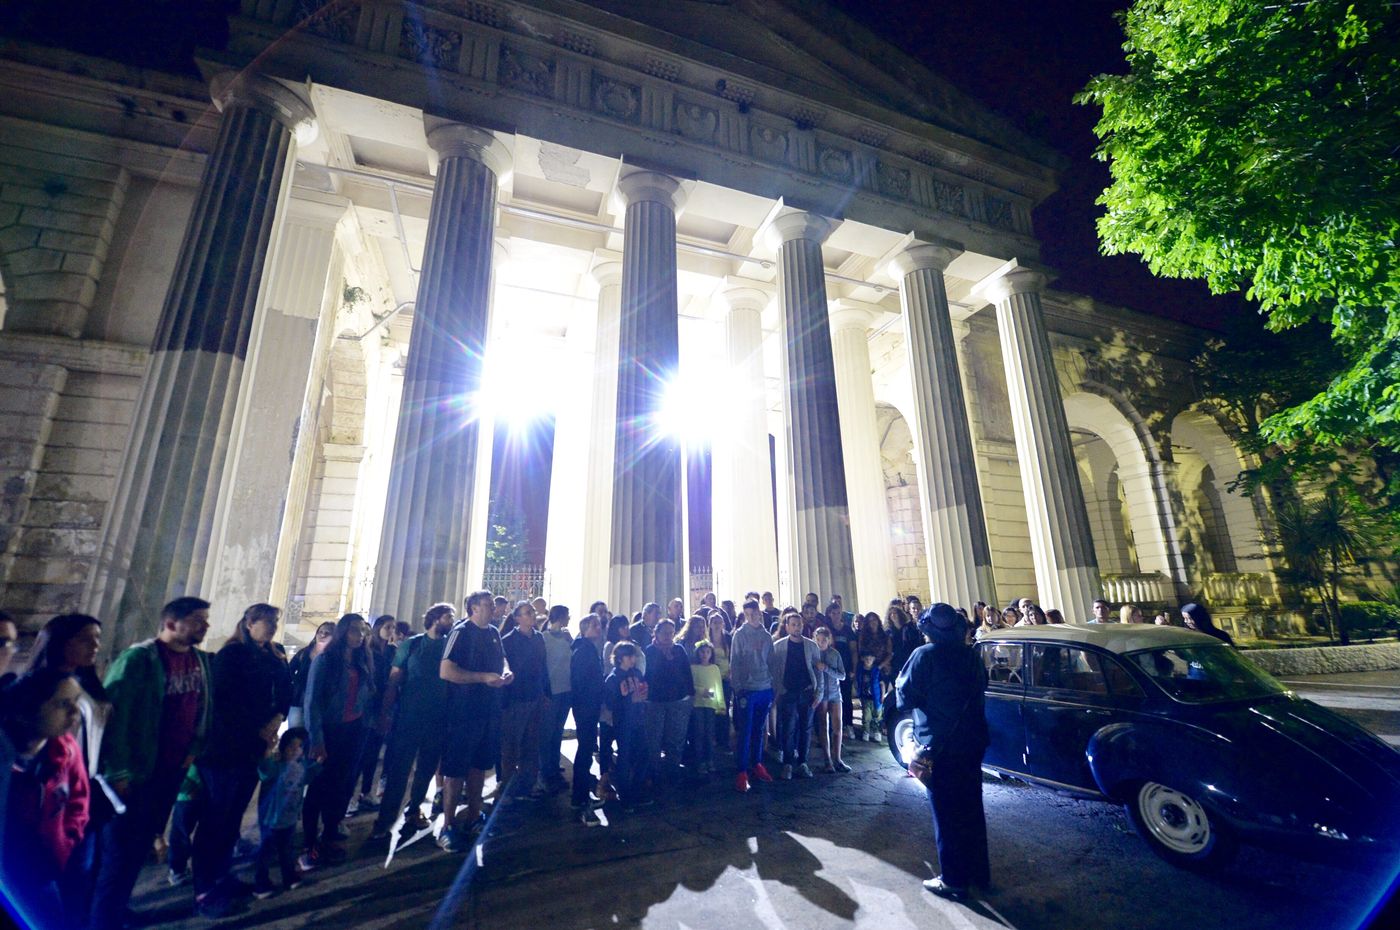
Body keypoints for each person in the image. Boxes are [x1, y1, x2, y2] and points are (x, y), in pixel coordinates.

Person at [89, 596, 213, 930]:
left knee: (141, 845)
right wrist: (119, 771)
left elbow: (202, 708)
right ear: (172, 623)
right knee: (117, 853)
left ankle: (118, 909)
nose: (206, 625)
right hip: (135, 775)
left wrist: (194, 748)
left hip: (170, 771)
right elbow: (115, 717)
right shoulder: (139, 660)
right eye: (198, 619)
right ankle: (101, 920)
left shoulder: (200, 661)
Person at [192, 603, 291, 915]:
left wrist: (276, 719)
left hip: (252, 748)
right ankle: (204, 889)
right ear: (249, 623)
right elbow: (225, 702)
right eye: (267, 622)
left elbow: (286, 691)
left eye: (275, 622)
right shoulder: (232, 654)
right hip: (224, 749)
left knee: (232, 817)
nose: (273, 627)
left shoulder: (273, 655)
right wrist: (259, 729)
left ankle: (222, 875)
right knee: (215, 819)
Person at [896, 604, 990, 900]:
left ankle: (953, 879)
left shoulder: (924, 655)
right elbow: (982, 687)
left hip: (939, 745)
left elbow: (904, 695)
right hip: (972, 741)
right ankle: (979, 874)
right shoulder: (971, 655)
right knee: (972, 809)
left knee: (946, 815)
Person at [20, 613, 111, 920]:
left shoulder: (88, 682)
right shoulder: (35, 688)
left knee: (80, 886)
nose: (95, 646)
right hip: (51, 798)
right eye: (86, 639)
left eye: (97, 639)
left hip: (85, 791)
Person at [0, 669, 88, 928]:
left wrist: (67, 840)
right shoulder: (6, 757)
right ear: (31, 707)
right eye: (63, 704)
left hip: (43, 868)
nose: (74, 713)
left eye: (76, 702)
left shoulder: (66, 750)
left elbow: (78, 801)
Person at [371, 602, 454, 842]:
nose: (451, 621)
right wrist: (385, 714)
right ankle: (385, 819)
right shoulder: (412, 644)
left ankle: (414, 808)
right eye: (448, 617)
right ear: (435, 618)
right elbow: (394, 680)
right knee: (399, 770)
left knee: (426, 769)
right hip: (409, 718)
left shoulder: (452, 646)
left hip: (438, 719)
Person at [438, 590, 512, 852]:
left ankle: (472, 816)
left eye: (493, 604)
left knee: (480, 766)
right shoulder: (461, 632)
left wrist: (505, 671)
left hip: (488, 710)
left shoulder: (493, 632)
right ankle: (447, 825)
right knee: (455, 770)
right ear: (472, 608)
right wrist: (483, 678)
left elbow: (502, 658)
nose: (494, 608)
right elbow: (446, 670)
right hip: (462, 712)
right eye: (488, 605)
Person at [302, 613, 374, 869]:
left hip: (353, 730)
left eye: (363, 631)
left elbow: (367, 692)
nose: (360, 635)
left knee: (342, 786)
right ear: (344, 631)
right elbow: (312, 702)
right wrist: (316, 739)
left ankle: (330, 833)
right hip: (329, 731)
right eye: (355, 630)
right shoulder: (325, 660)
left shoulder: (362, 660)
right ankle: (309, 845)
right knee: (319, 787)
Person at [253, 727, 317, 899]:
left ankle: (289, 877)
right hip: (271, 820)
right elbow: (264, 771)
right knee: (266, 852)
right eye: (291, 746)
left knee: (286, 850)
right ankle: (261, 884)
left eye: (299, 747)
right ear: (282, 747)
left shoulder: (300, 767)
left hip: (288, 820)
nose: (295, 750)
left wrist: (318, 764)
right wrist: (267, 749)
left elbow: (307, 778)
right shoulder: (276, 767)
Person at [499, 601, 549, 799]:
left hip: (535, 697)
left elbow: (543, 667)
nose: (532, 615)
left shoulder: (539, 638)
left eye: (532, 612)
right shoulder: (509, 640)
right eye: (527, 613)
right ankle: (508, 789)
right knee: (511, 746)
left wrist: (546, 693)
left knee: (531, 744)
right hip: (516, 699)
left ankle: (529, 784)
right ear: (517, 618)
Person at [730, 599, 775, 792]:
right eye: (746, 615)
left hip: (765, 687)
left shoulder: (766, 636)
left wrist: (774, 686)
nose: (750, 617)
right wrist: (738, 687)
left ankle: (757, 763)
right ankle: (742, 770)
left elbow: (772, 661)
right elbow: (735, 662)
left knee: (759, 729)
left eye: (753, 614)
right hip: (747, 689)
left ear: (759, 613)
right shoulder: (739, 635)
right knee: (745, 731)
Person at [353, 614, 396, 814]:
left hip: (382, 708)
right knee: (360, 754)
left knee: (372, 754)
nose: (391, 631)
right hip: (367, 709)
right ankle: (350, 797)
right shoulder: (367, 653)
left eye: (393, 628)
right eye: (388, 627)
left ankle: (365, 792)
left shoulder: (391, 651)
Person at [770, 611, 819, 780]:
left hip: (807, 691)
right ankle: (788, 763)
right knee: (788, 727)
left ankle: (803, 762)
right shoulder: (779, 646)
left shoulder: (812, 646)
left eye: (799, 624)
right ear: (787, 626)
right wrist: (778, 690)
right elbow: (775, 671)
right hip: (788, 692)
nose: (797, 627)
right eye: (793, 624)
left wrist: (819, 692)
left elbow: (818, 670)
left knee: (806, 728)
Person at [644, 618, 695, 783]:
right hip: (655, 701)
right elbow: (648, 675)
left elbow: (687, 673)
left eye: (671, 633)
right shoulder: (650, 651)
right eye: (664, 632)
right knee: (654, 739)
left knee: (676, 738)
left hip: (677, 700)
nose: (668, 636)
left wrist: (690, 694)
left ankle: (672, 770)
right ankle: (654, 772)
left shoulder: (679, 650)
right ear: (656, 633)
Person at [569, 613, 607, 825]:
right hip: (586, 706)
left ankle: (581, 794)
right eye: (594, 625)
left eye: (599, 625)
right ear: (584, 629)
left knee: (585, 749)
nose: (598, 628)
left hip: (587, 705)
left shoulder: (587, 649)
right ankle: (580, 797)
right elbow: (583, 681)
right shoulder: (584, 651)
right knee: (584, 750)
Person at [603, 643, 649, 811]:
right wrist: (630, 700)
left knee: (643, 754)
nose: (633, 659)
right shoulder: (613, 678)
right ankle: (625, 795)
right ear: (620, 658)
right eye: (630, 656)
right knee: (625, 757)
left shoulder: (636, 673)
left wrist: (643, 694)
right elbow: (610, 703)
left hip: (638, 720)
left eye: (634, 656)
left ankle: (636, 790)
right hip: (623, 723)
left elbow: (643, 689)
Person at [539, 605, 573, 794]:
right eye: (568, 616)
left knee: (557, 732)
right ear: (561, 617)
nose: (569, 619)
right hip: (552, 691)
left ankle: (553, 767)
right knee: (547, 734)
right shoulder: (544, 638)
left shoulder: (568, 637)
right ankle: (545, 773)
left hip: (566, 690)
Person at [812, 626, 849, 773]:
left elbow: (842, 675)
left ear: (829, 640)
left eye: (824, 640)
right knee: (823, 726)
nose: (821, 643)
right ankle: (827, 759)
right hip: (821, 695)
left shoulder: (835, 654)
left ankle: (838, 758)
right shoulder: (813, 655)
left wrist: (826, 668)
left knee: (837, 728)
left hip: (834, 693)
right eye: (819, 640)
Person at [689, 641, 724, 780]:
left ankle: (709, 760)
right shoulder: (693, 668)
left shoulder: (714, 668)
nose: (705, 655)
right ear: (698, 653)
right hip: (697, 704)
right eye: (702, 652)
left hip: (710, 705)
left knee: (709, 733)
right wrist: (701, 691)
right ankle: (700, 762)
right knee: (699, 733)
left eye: (707, 652)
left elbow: (718, 687)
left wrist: (721, 705)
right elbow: (691, 685)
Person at [287, 622, 334, 727]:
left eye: (327, 633)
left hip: (321, 703)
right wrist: (297, 683)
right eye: (320, 632)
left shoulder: (335, 657)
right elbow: (289, 670)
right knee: (295, 734)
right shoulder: (304, 652)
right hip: (299, 701)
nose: (323, 635)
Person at [824, 602, 856, 741]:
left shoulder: (848, 630)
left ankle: (848, 724)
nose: (836, 616)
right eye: (833, 613)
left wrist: (854, 668)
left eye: (838, 613)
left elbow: (853, 650)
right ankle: (833, 727)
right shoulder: (827, 629)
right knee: (831, 699)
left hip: (845, 668)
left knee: (846, 697)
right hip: (829, 669)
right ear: (829, 614)